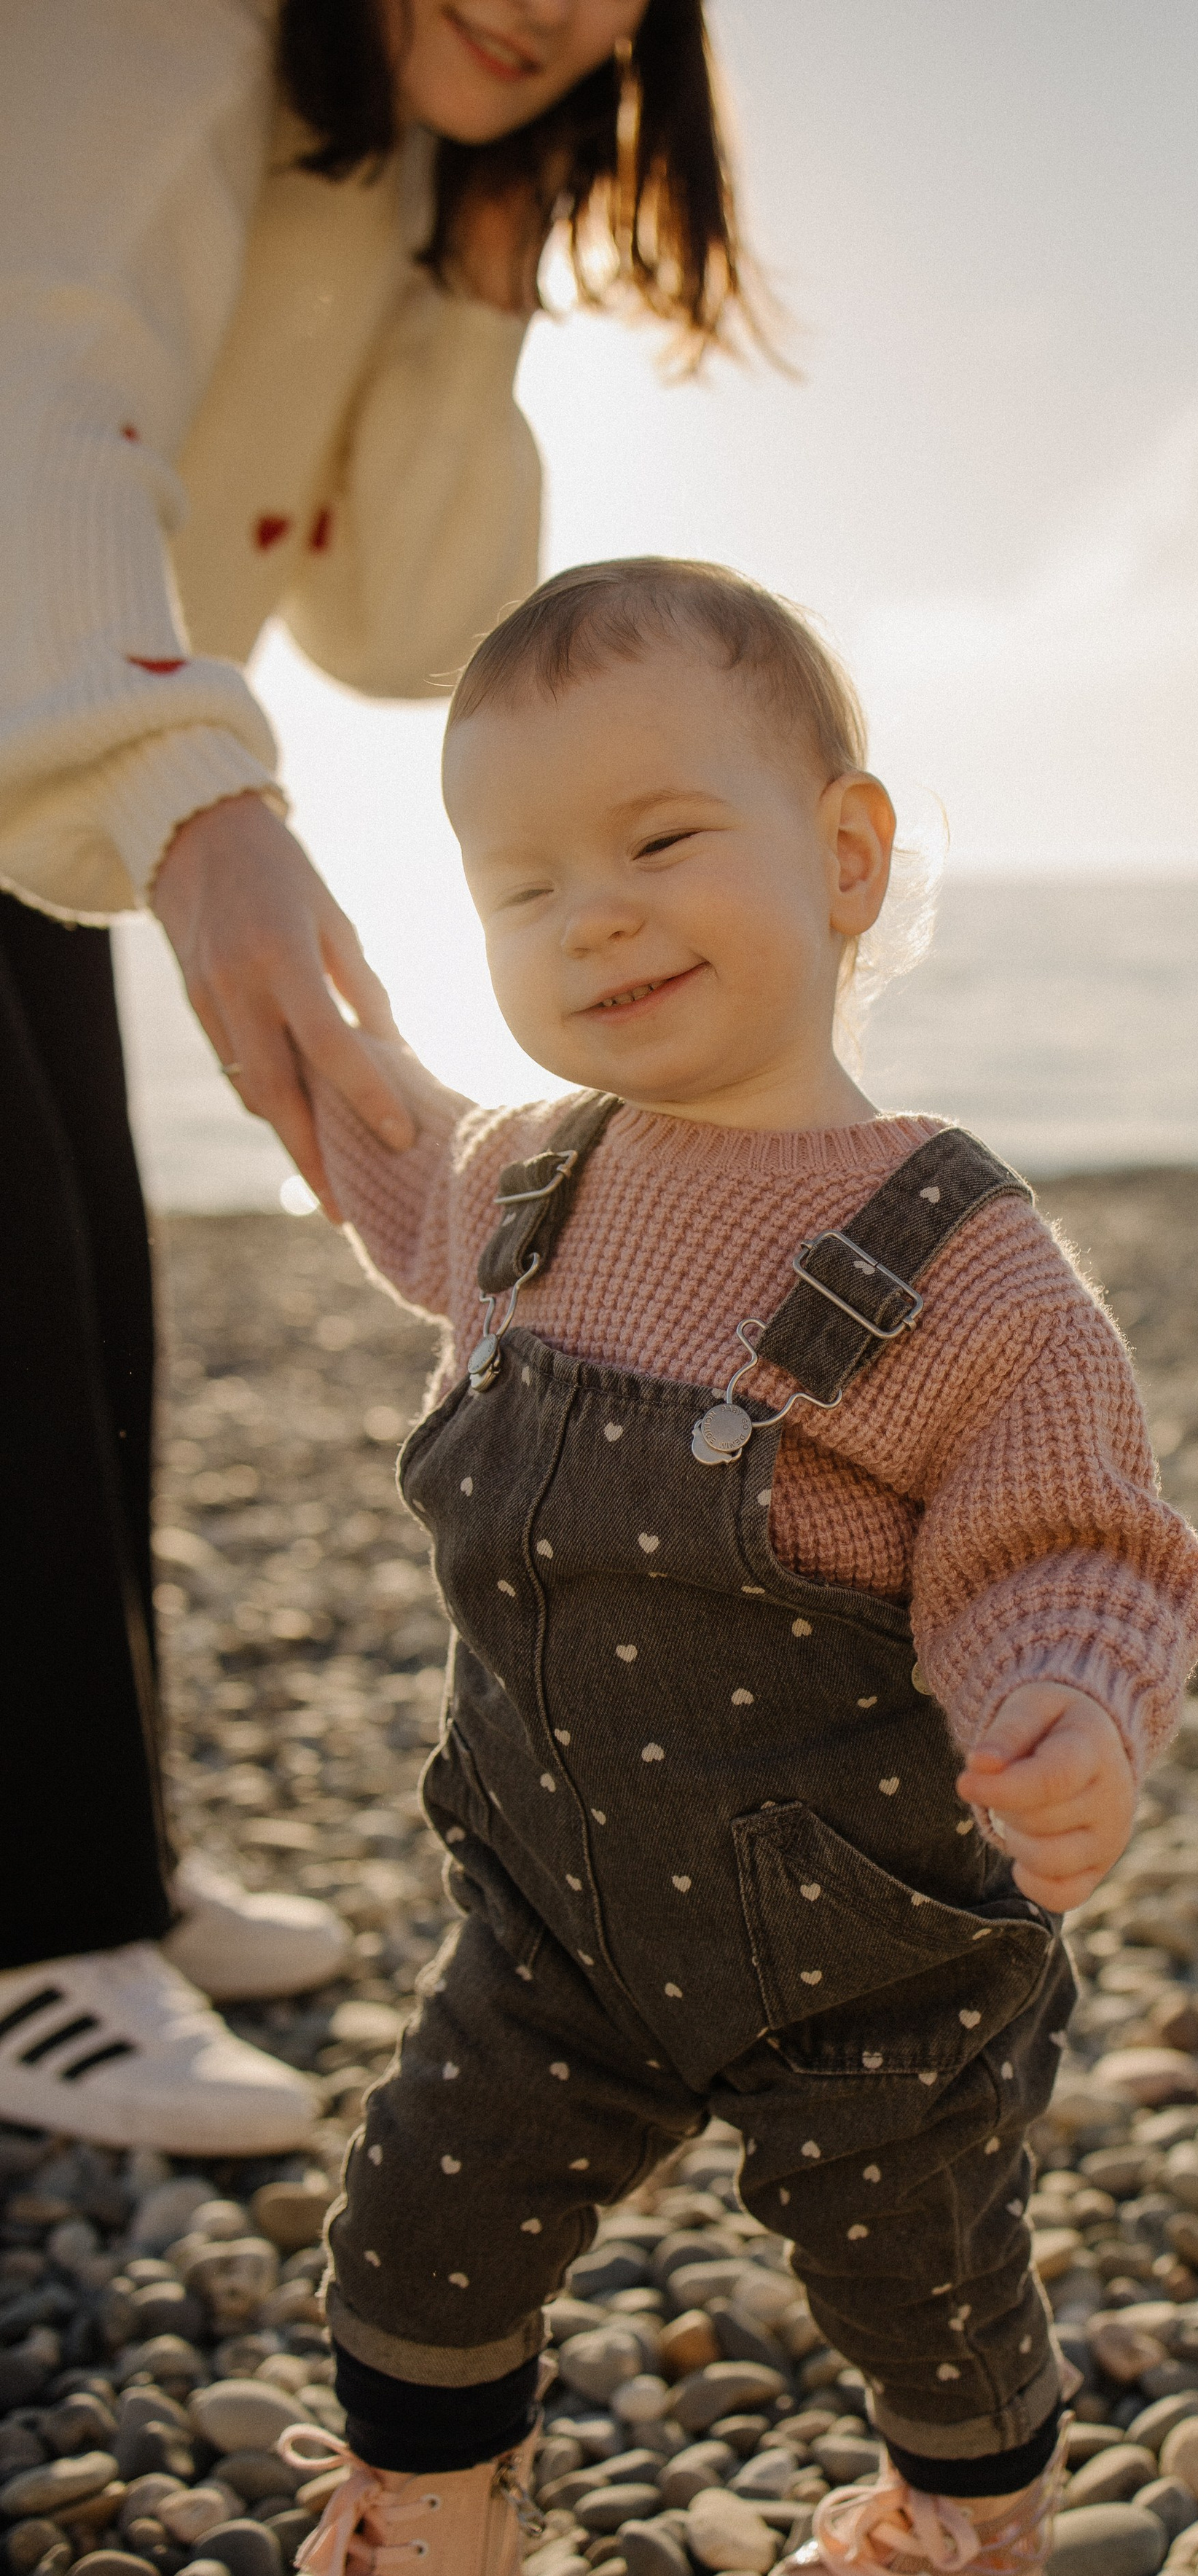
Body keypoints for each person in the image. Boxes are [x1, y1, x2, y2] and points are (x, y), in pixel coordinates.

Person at [135, 558, 1198, 2576]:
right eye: (519, 884)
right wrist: (314, 1040)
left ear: (842, 856)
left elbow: (1071, 1539)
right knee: (416, 2227)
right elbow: (382, 1153)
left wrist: (1072, 1714)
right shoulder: (528, 1185)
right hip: (556, 1924)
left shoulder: (957, 1267)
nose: (592, 918)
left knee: (917, 2277)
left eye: (655, 842)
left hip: (876, 1956)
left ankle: (961, 2551)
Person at [0, 0, 753, 2151]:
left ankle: (98, 1865)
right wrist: (196, 799)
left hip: (31, 746)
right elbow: (33, 364)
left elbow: (410, 617)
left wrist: (484, 271)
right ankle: (35, 1936)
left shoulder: (414, 167)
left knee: (85, 1303)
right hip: (55, 716)